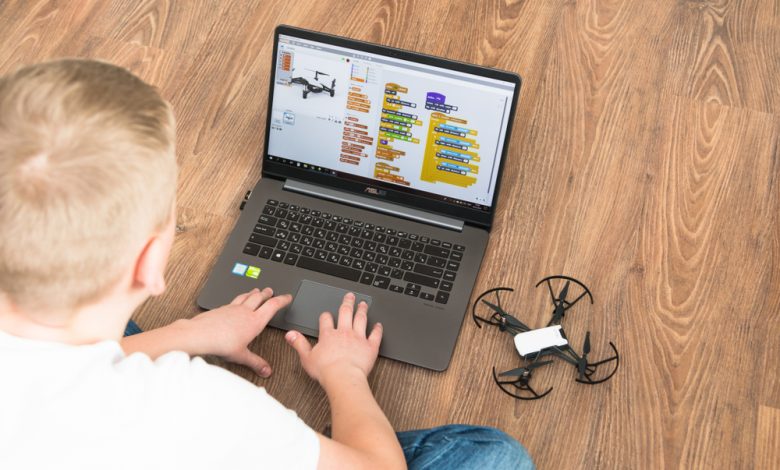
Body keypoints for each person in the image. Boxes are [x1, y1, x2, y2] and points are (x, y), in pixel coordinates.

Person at [0, 59, 533, 470]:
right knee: (493, 455)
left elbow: (57, 369)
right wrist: (345, 375)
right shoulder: (196, 406)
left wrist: (187, 333)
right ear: (150, 262)